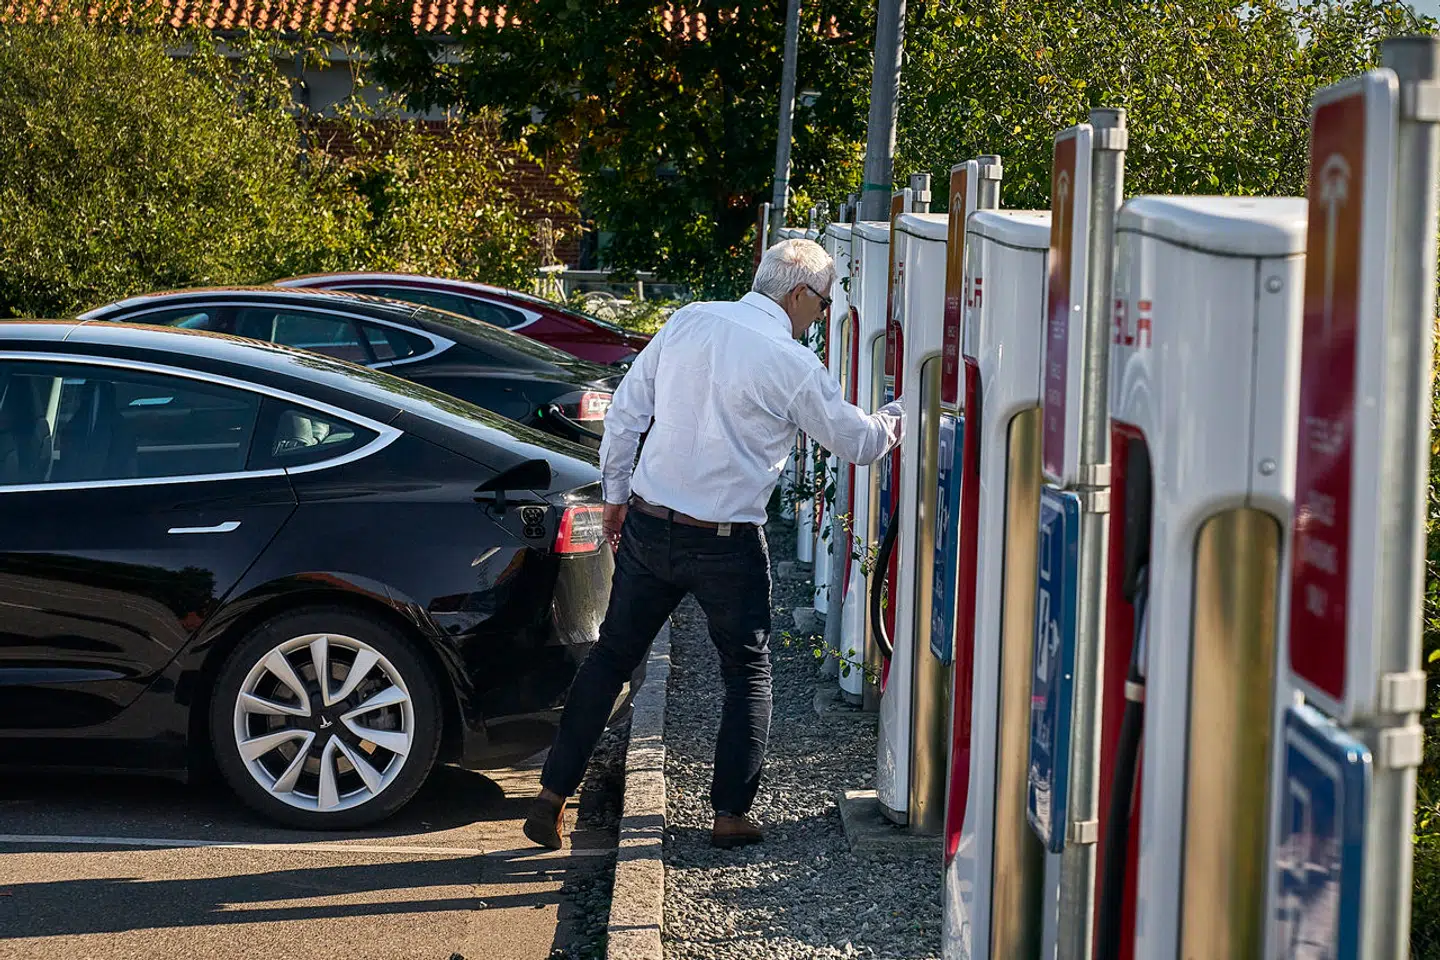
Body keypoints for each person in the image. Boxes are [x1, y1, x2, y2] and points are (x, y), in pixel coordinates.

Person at [523, 238, 905, 850]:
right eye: (823, 304)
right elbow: (858, 443)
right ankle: (729, 813)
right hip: (727, 542)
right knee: (747, 671)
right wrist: (907, 410)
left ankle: (550, 795)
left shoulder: (687, 321)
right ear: (799, 294)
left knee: (610, 660)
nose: (820, 317)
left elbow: (625, 414)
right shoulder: (792, 363)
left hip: (650, 524)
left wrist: (617, 496)